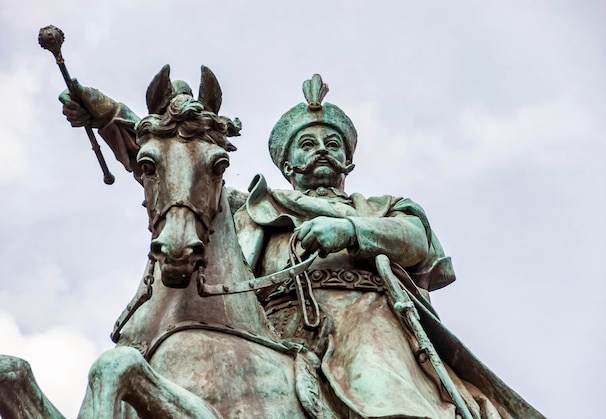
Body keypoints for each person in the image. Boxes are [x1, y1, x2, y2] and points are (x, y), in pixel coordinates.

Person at [60, 73, 543, 418]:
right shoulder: (250, 206)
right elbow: (178, 167)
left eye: (332, 144)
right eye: (307, 144)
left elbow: (418, 241)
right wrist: (107, 115)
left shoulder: (380, 205)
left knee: (381, 395)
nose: (321, 152)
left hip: (361, 320)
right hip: (264, 328)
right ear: (288, 163)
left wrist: (351, 232)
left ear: (349, 161)